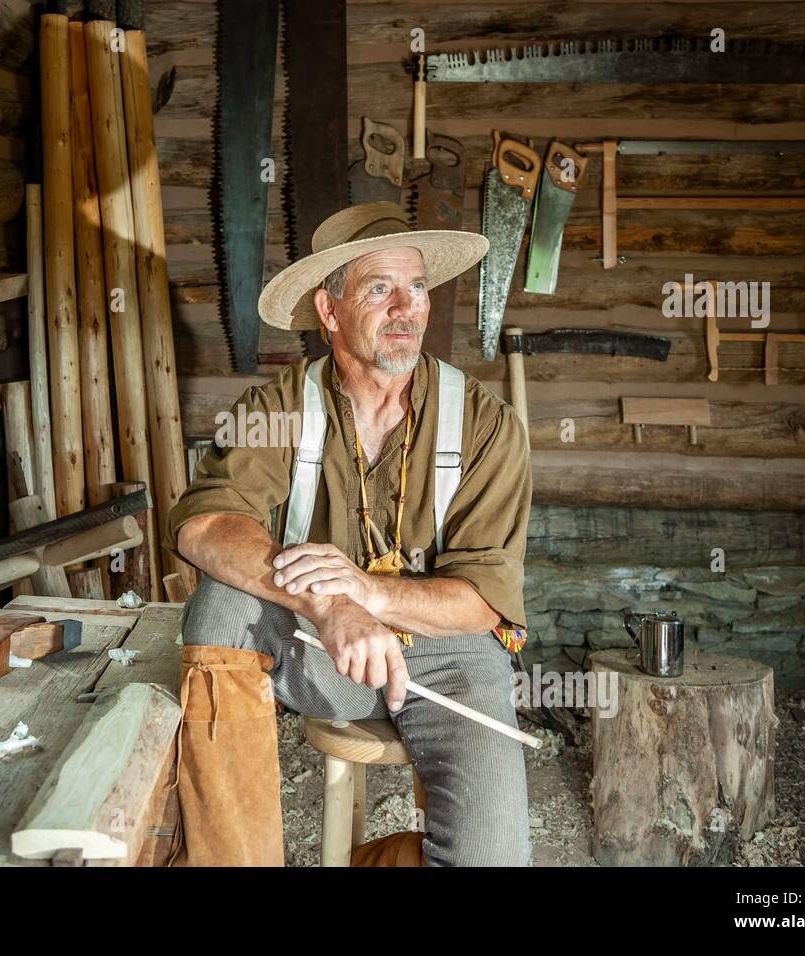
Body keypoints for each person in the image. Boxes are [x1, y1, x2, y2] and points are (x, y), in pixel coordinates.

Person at [163, 202, 533, 866]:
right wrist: (329, 605)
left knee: (491, 857)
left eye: (417, 286)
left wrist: (371, 594)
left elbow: (484, 601)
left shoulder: (486, 424)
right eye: (379, 288)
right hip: (321, 645)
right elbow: (205, 526)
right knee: (219, 608)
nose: (407, 307)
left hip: (448, 658)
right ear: (329, 312)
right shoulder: (279, 408)